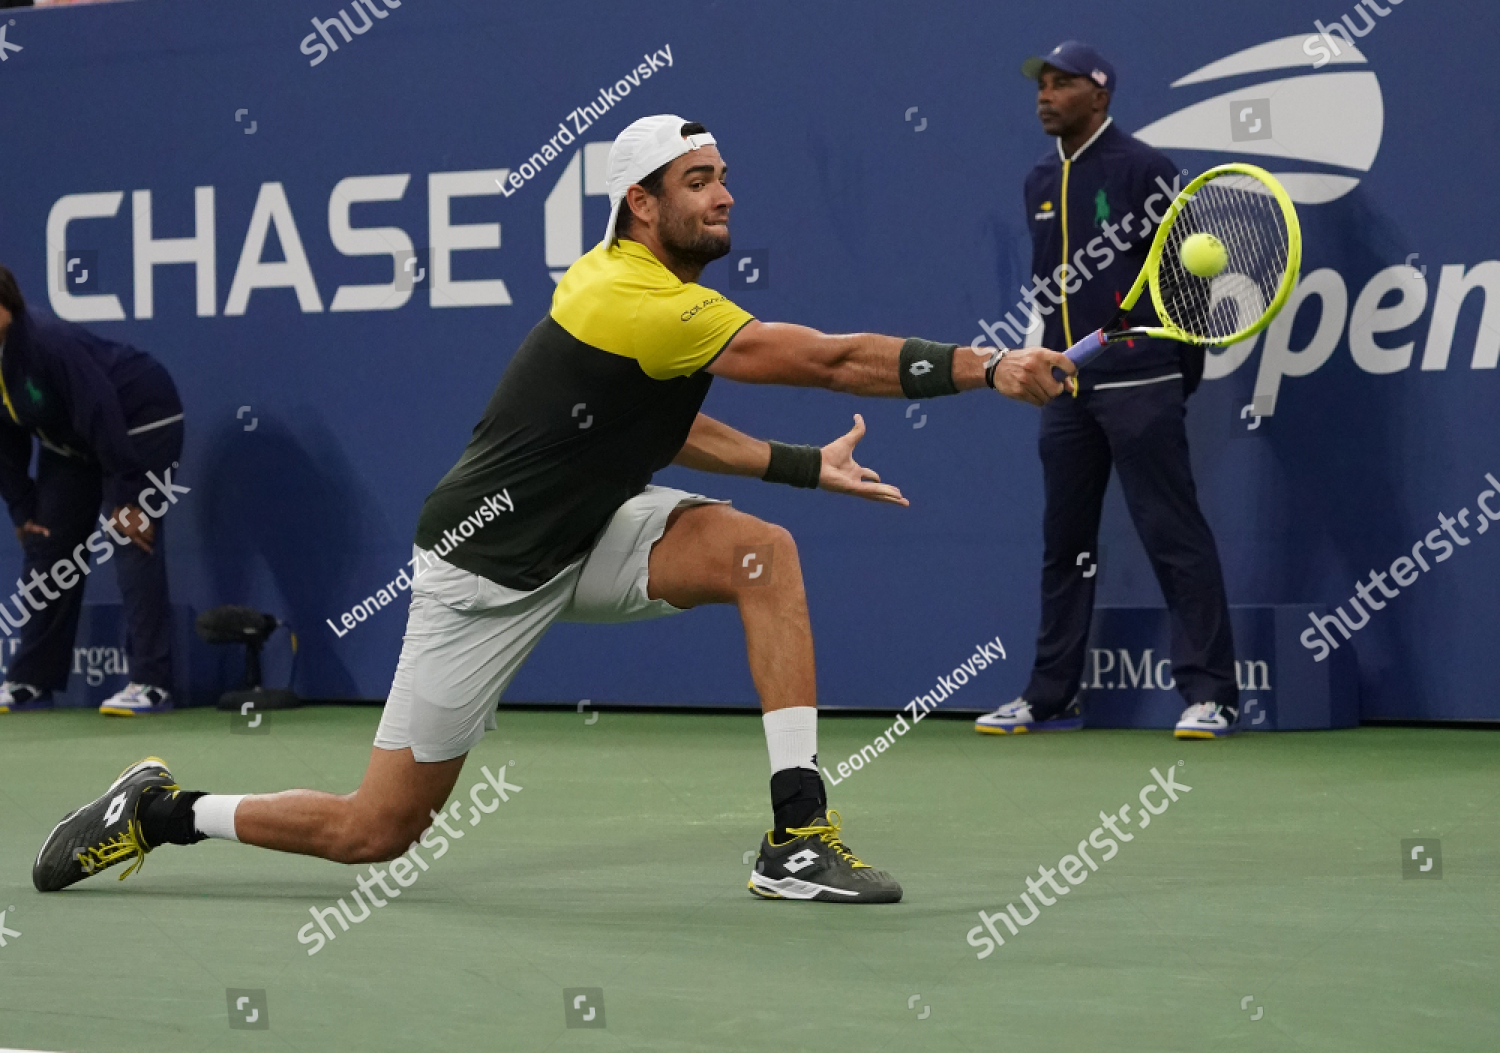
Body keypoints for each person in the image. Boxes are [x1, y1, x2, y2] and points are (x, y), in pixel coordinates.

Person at [34, 114, 1073, 904]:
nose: (723, 198)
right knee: (375, 832)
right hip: (482, 570)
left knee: (761, 553)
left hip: (588, 532)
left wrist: (801, 469)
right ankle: (164, 811)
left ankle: (794, 838)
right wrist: (988, 367)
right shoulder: (631, 295)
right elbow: (830, 359)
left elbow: (659, 429)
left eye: (724, 181)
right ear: (640, 204)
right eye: (697, 183)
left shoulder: (653, 305)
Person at [974, 42, 1240, 741]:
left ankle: (1210, 693)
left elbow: (1189, 276)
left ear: (1100, 95)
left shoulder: (1144, 168)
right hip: (1067, 388)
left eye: (1062, 84)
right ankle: (1051, 693)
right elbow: (1043, 289)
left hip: (1142, 379)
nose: (1045, 95)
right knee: (1066, 543)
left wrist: (1177, 366)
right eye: (1042, 84)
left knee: (1171, 531)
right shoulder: (1037, 179)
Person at [0, 264, 183, 715]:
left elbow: (99, 406)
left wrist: (127, 496)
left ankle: (151, 683)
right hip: (75, 440)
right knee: (46, 539)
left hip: (140, 416)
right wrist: (23, 507)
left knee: (128, 533)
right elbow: (3, 439)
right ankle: (31, 680)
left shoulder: (44, 341)